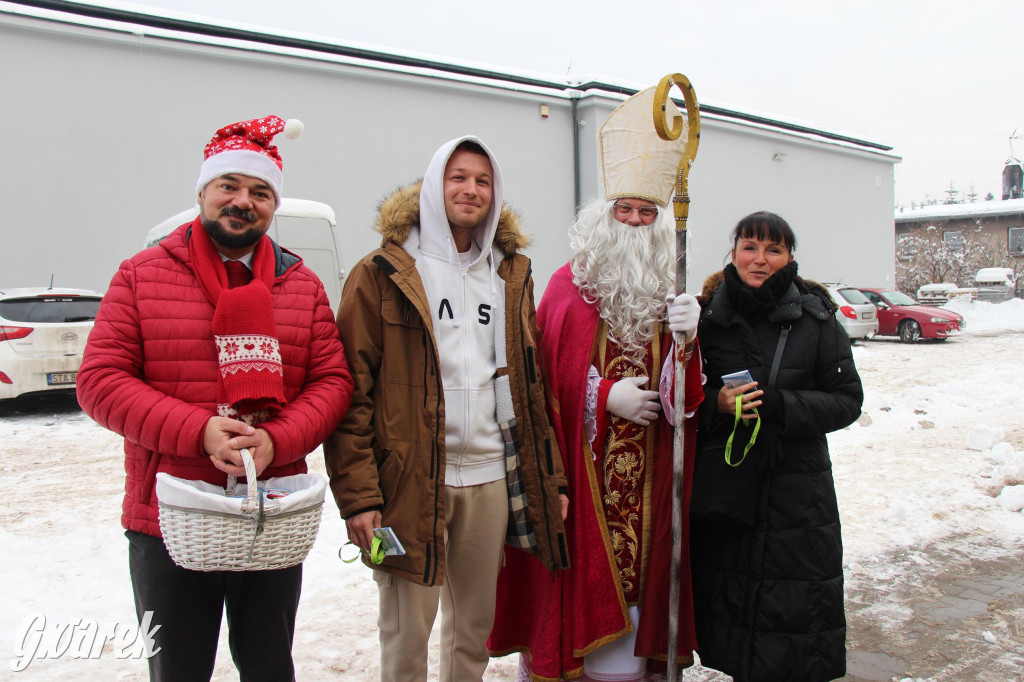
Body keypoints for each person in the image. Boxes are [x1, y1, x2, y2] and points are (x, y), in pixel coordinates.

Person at [76, 115, 353, 681]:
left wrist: (278, 439)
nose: (242, 201)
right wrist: (197, 430)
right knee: (178, 669)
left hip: (268, 512)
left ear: (274, 204)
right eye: (228, 185)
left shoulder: (302, 286)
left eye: (260, 191)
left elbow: (333, 382)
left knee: (270, 665)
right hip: (169, 517)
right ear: (202, 192)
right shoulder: (141, 275)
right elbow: (101, 381)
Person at [323, 136, 569, 682]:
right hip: (408, 485)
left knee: (473, 631)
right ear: (435, 184)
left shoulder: (510, 274)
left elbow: (533, 389)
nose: (470, 190)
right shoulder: (384, 271)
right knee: (406, 633)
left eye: (483, 181)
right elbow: (351, 391)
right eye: (458, 177)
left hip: (488, 481)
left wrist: (550, 480)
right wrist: (360, 496)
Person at [488, 87, 705, 682]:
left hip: (650, 476)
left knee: (646, 579)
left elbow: (686, 407)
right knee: (585, 577)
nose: (635, 223)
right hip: (582, 475)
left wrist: (688, 341)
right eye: (624, 210)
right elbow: (542, 378)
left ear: (661, 223)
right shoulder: (567, 285)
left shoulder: (670, 292)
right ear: (603, 216)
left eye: (646, 213)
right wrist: (603, 396)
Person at [689, 211, 864, 681]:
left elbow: (848, 401)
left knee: (793, 624)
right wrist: (716, 406)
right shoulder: (709, 318)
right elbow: (683, 400)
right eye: (750, 247)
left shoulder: (814, 317)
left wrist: (782, 405)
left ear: (790, 257)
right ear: (733, 252)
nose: (760, 260)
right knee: (736, 621)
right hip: (729, 493)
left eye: (774, 250)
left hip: (796, 498)